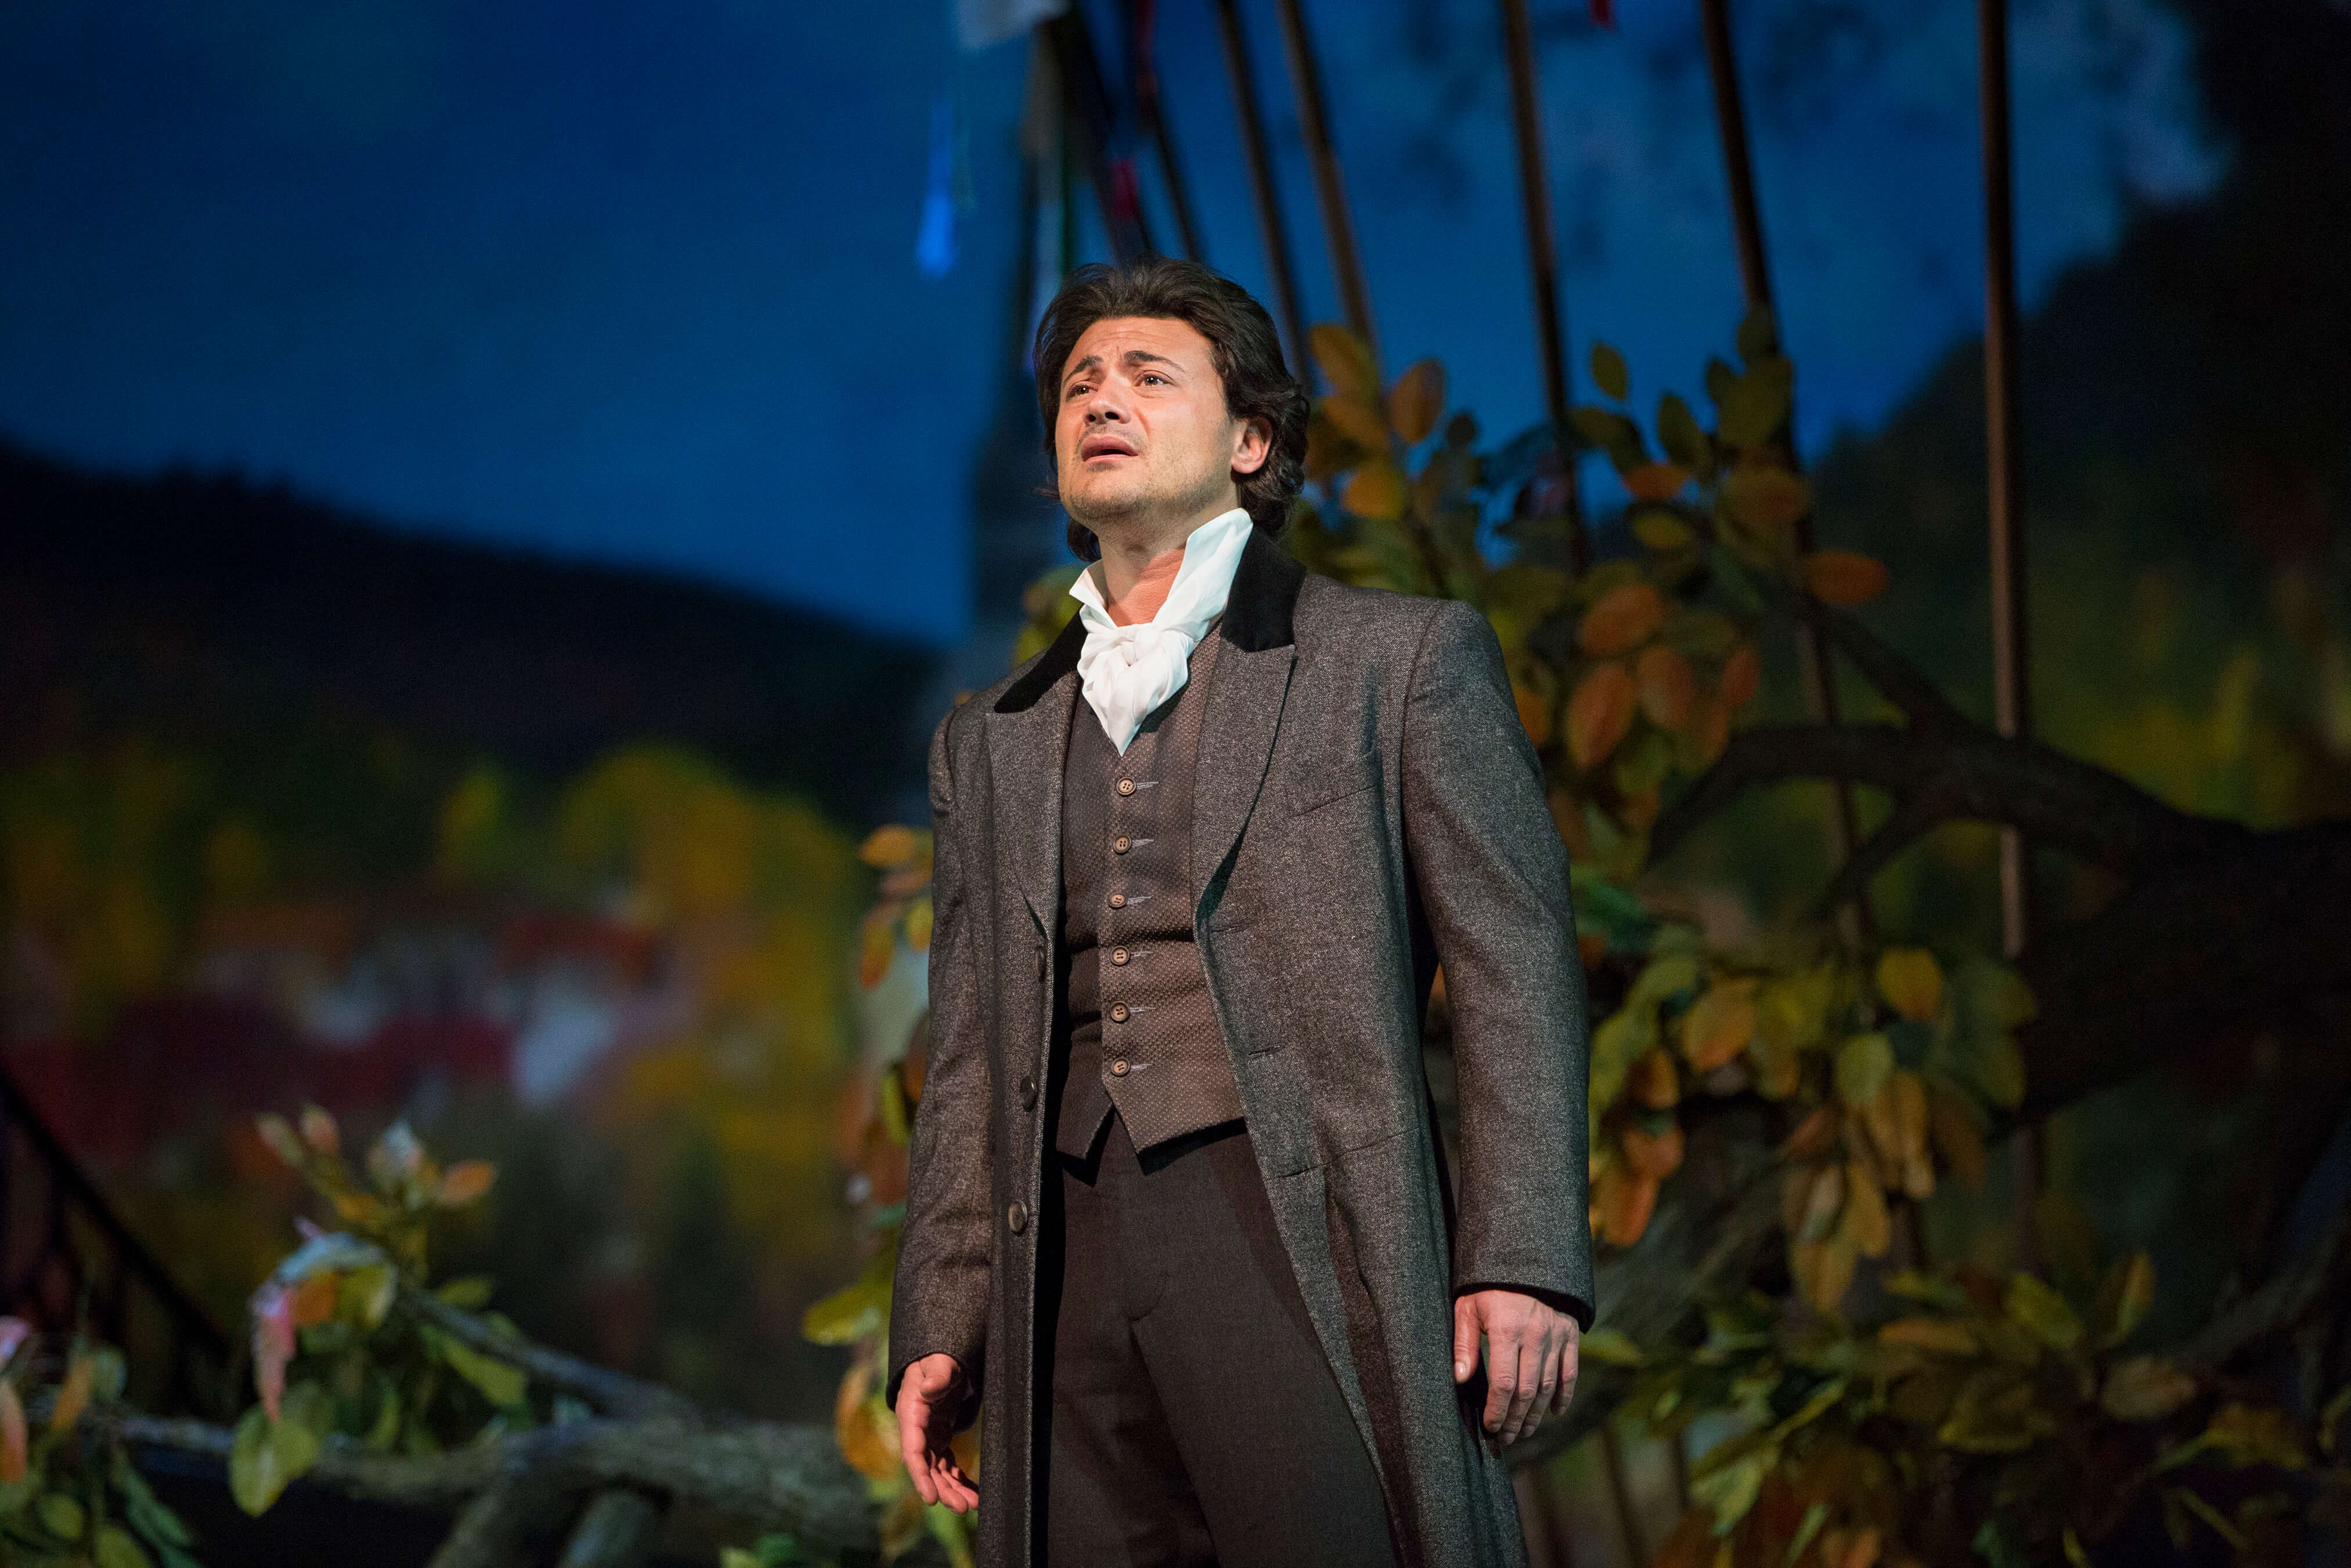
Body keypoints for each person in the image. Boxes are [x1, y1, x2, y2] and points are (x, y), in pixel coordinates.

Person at [888, 255, 1593, 1568]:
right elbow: (973, 1050)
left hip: (1294, 1230)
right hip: (1064, 1266)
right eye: (1080, 384)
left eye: (1149, 376)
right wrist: (941, 1309)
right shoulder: (990, 736)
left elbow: (1515, 960)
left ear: (1251, 439)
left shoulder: (1396, 661)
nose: (1103, 399)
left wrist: (1523, 1255)